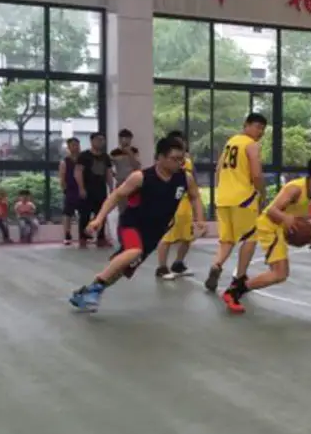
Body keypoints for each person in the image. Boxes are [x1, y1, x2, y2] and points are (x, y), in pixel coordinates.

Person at [69, 136, 206, 313]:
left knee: (122, 270)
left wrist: (200, 220)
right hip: (131, 225)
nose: (179, 163)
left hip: (154, 233)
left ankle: (88, 291)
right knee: (134, 251)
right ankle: (94, 289)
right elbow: (116, 196)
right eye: (175, 159)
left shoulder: (185, 178)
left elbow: (195, 197)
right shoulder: (140, 177)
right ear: (160, 157)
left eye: (182, 159)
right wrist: (99, 218)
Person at [221, 156, 311, 314]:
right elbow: (272, 210)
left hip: (288, 225)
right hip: (271, 227)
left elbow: (302, 209)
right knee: (280, 274)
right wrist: (286, 218)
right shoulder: (295, 188)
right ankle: (234, 292)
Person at [204, 113, 268, 294]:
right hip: (244, 199)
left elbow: (218, 170)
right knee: (250, 238)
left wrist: (221, 190)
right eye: (257, 127)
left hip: (223, 199)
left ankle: (216, 265)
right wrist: (262, 195)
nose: (260, 132)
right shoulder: (251, 145)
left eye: (263, 129)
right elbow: (256, 174)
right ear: (246, 125)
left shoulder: (230, 142)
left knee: (227, 240)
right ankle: (239, 277)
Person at [155, 130, 197, 280]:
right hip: (172, 202)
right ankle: (162, 267)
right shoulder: (164, 163)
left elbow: (192, 182)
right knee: (167, 237)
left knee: (187, 236)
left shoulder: (187, 161)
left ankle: (178, 264)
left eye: (183, 142)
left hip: (186, 203)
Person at [76, 133, 112, 248]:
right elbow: (78, 172)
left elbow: (109, 173)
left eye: (102, 140)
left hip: (101, 190)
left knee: (101, 214)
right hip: (87, 189)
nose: (100, 142)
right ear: (91, 141)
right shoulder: (84, 156)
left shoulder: (105, 157)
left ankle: (101, 238)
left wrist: (111, 188)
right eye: (98, 139)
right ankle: (83, 238)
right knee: (85, 215)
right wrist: (81, 188)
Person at [110, 128, 142, 211]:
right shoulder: (114, 152)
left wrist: (130, 153)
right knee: (122, 208)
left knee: (134, 207)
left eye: (128, 138)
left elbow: (137, 166)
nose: (125, 141)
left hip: (133, 182)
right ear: (119, 139)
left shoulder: (135, 151)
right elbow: (108, 167)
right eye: (123, 138)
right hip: (121, 183)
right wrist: (115, 175)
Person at [59, 137, 81, 245]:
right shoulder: (65, 161)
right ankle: (67, 235)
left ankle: (84, 234)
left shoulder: (83, 160)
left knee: (83, 213)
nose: (75, 147)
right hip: (70, 190)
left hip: (81, 190)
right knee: (68, 214)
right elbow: (62, 177)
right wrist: (65, 189)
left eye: (77, 145)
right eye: (73, 145)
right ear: (68, 147)